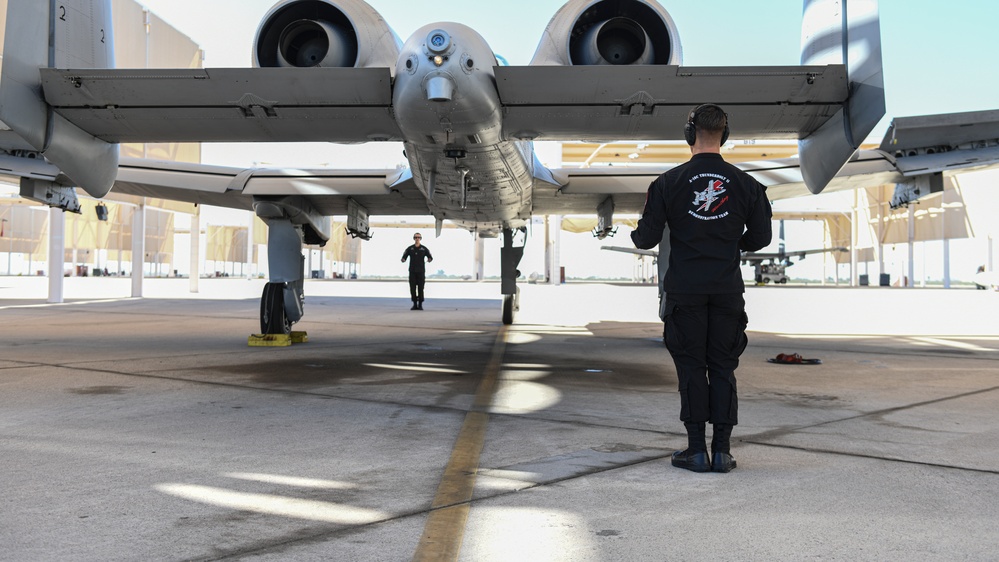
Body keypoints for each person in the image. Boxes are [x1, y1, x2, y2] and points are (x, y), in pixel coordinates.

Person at [631, 104, 773, 474]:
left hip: (685, 292)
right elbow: (761, 237)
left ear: (688, 135)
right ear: (725, 136)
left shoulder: (667, 183)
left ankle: (695, 451)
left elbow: (645, 239)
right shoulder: (748, 186)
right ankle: (722, 452)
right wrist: (728, 243)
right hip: (726, 290)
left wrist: (636, 230)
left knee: (692, 367)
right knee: (723, 367)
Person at [401, 232, 433, 310]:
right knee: (412, 288)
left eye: (418, 237)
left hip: (421, 271)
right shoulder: (410, 248)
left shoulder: (424, 249)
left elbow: (430, 257)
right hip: (412, 271)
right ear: (414, 238)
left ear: (420, 238)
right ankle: (414, 304)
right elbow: (404, 256)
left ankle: (420, 304)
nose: (417, 239)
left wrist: (429, 259)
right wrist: (403, 259)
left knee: (420, 288)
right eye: (416, 237)